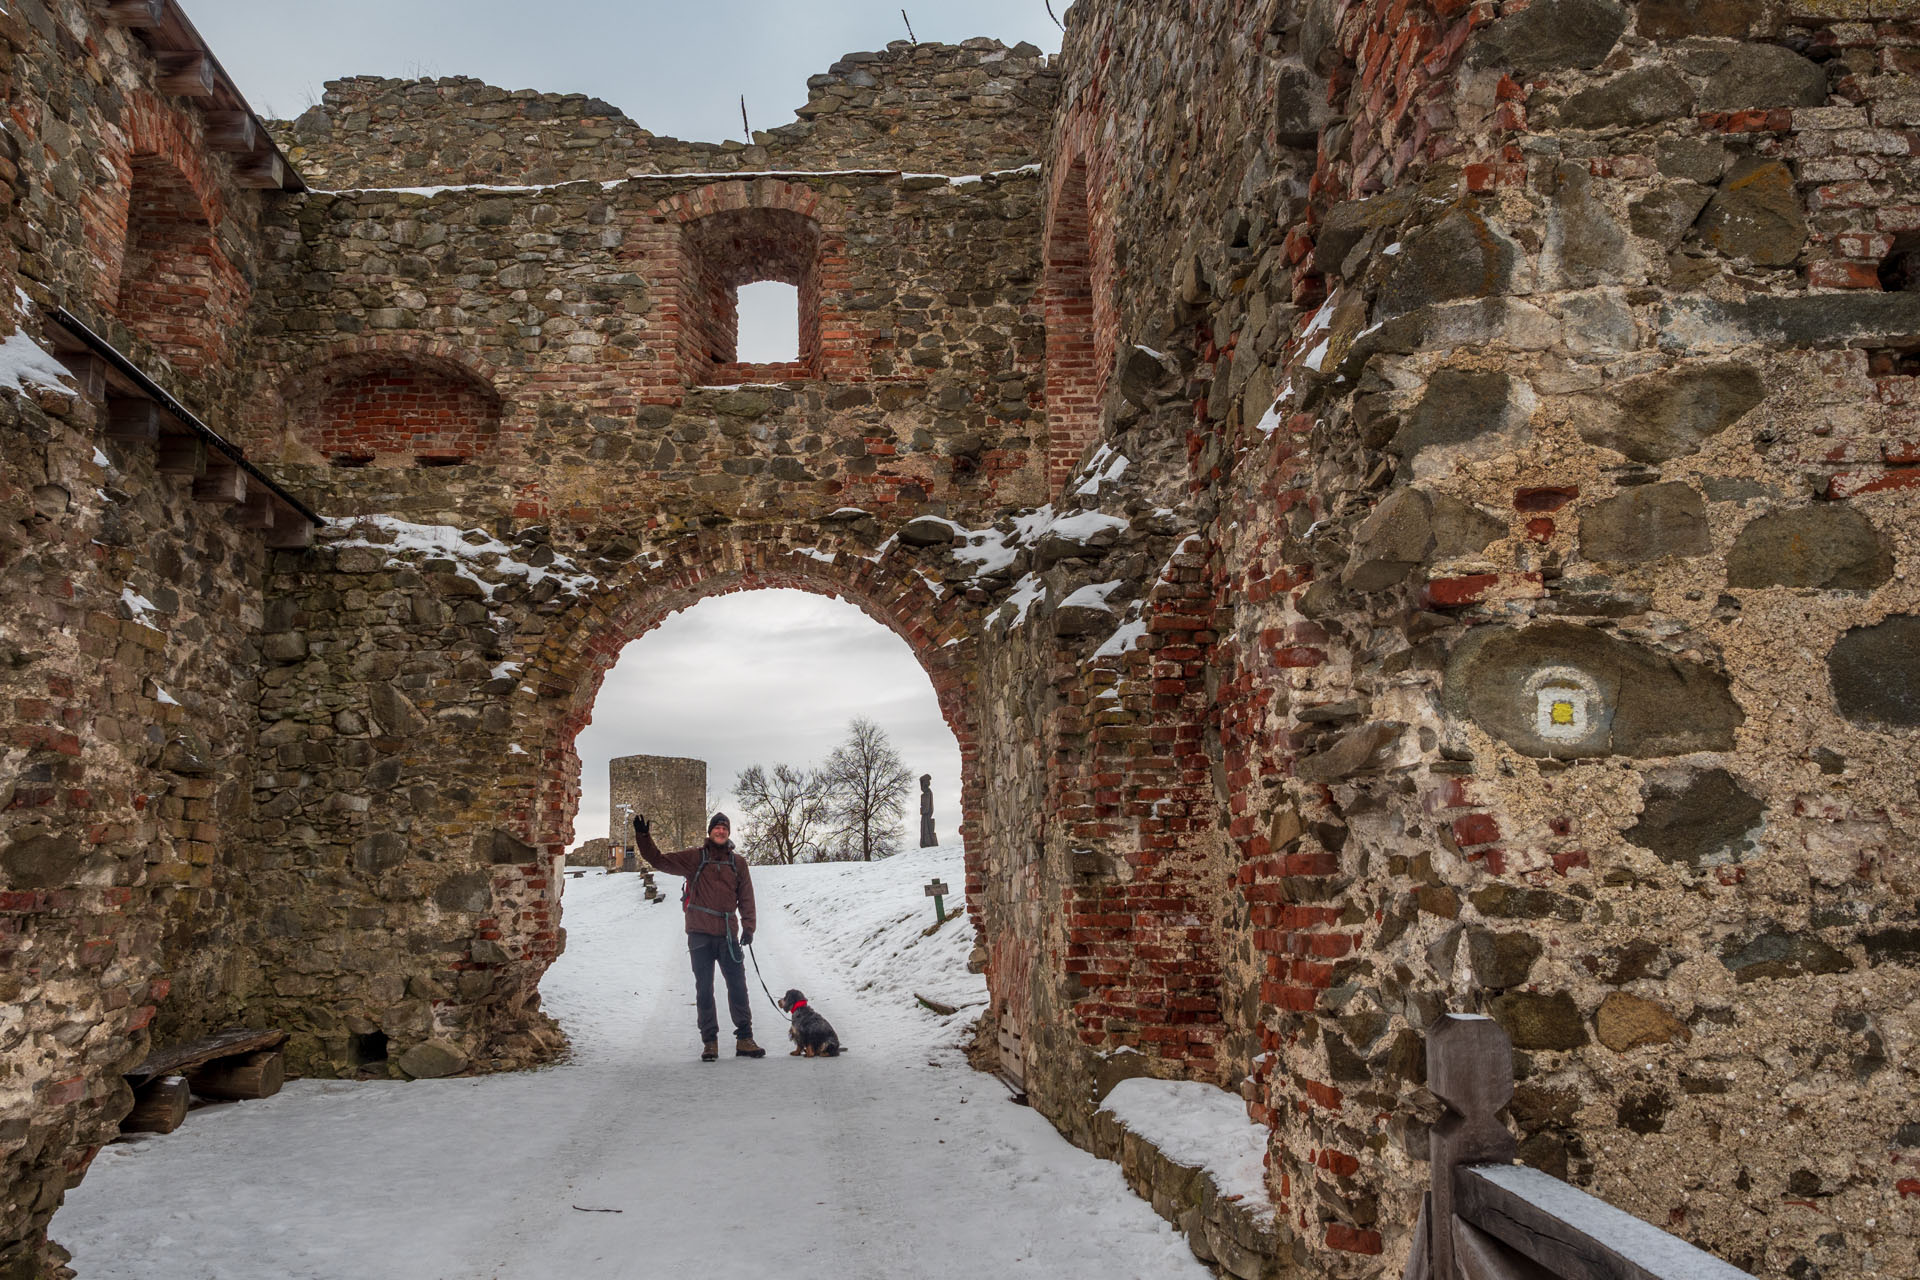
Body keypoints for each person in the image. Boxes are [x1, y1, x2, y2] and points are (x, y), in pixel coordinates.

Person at [632, 811, 765, 1061]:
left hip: (728, 934)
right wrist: (643, 837)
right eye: (717, 828)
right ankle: (710, 1042)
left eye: (725, 828)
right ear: (710, 831)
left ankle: (745, 1039)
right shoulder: (695, 858)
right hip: (700, 935)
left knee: (738, 987)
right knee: (704, 989)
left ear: (729, 833)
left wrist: (749, 927)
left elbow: (746, 897)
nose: (721, 831)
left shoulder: (738, 864)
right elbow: (659, 860)